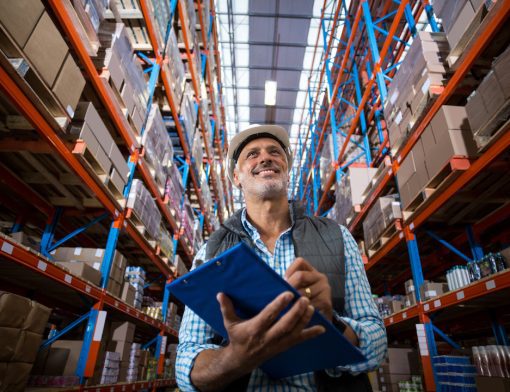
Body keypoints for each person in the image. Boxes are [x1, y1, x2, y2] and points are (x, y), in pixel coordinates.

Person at [176, 124, 387, 391]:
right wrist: (234, 358)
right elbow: (187, 358)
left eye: (275, 152)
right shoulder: (211, 251)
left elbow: (377, 340)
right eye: (252, 154)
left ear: (287, 171)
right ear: (236, 177)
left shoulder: (337, 237)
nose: (265, 158)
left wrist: (331, 324)